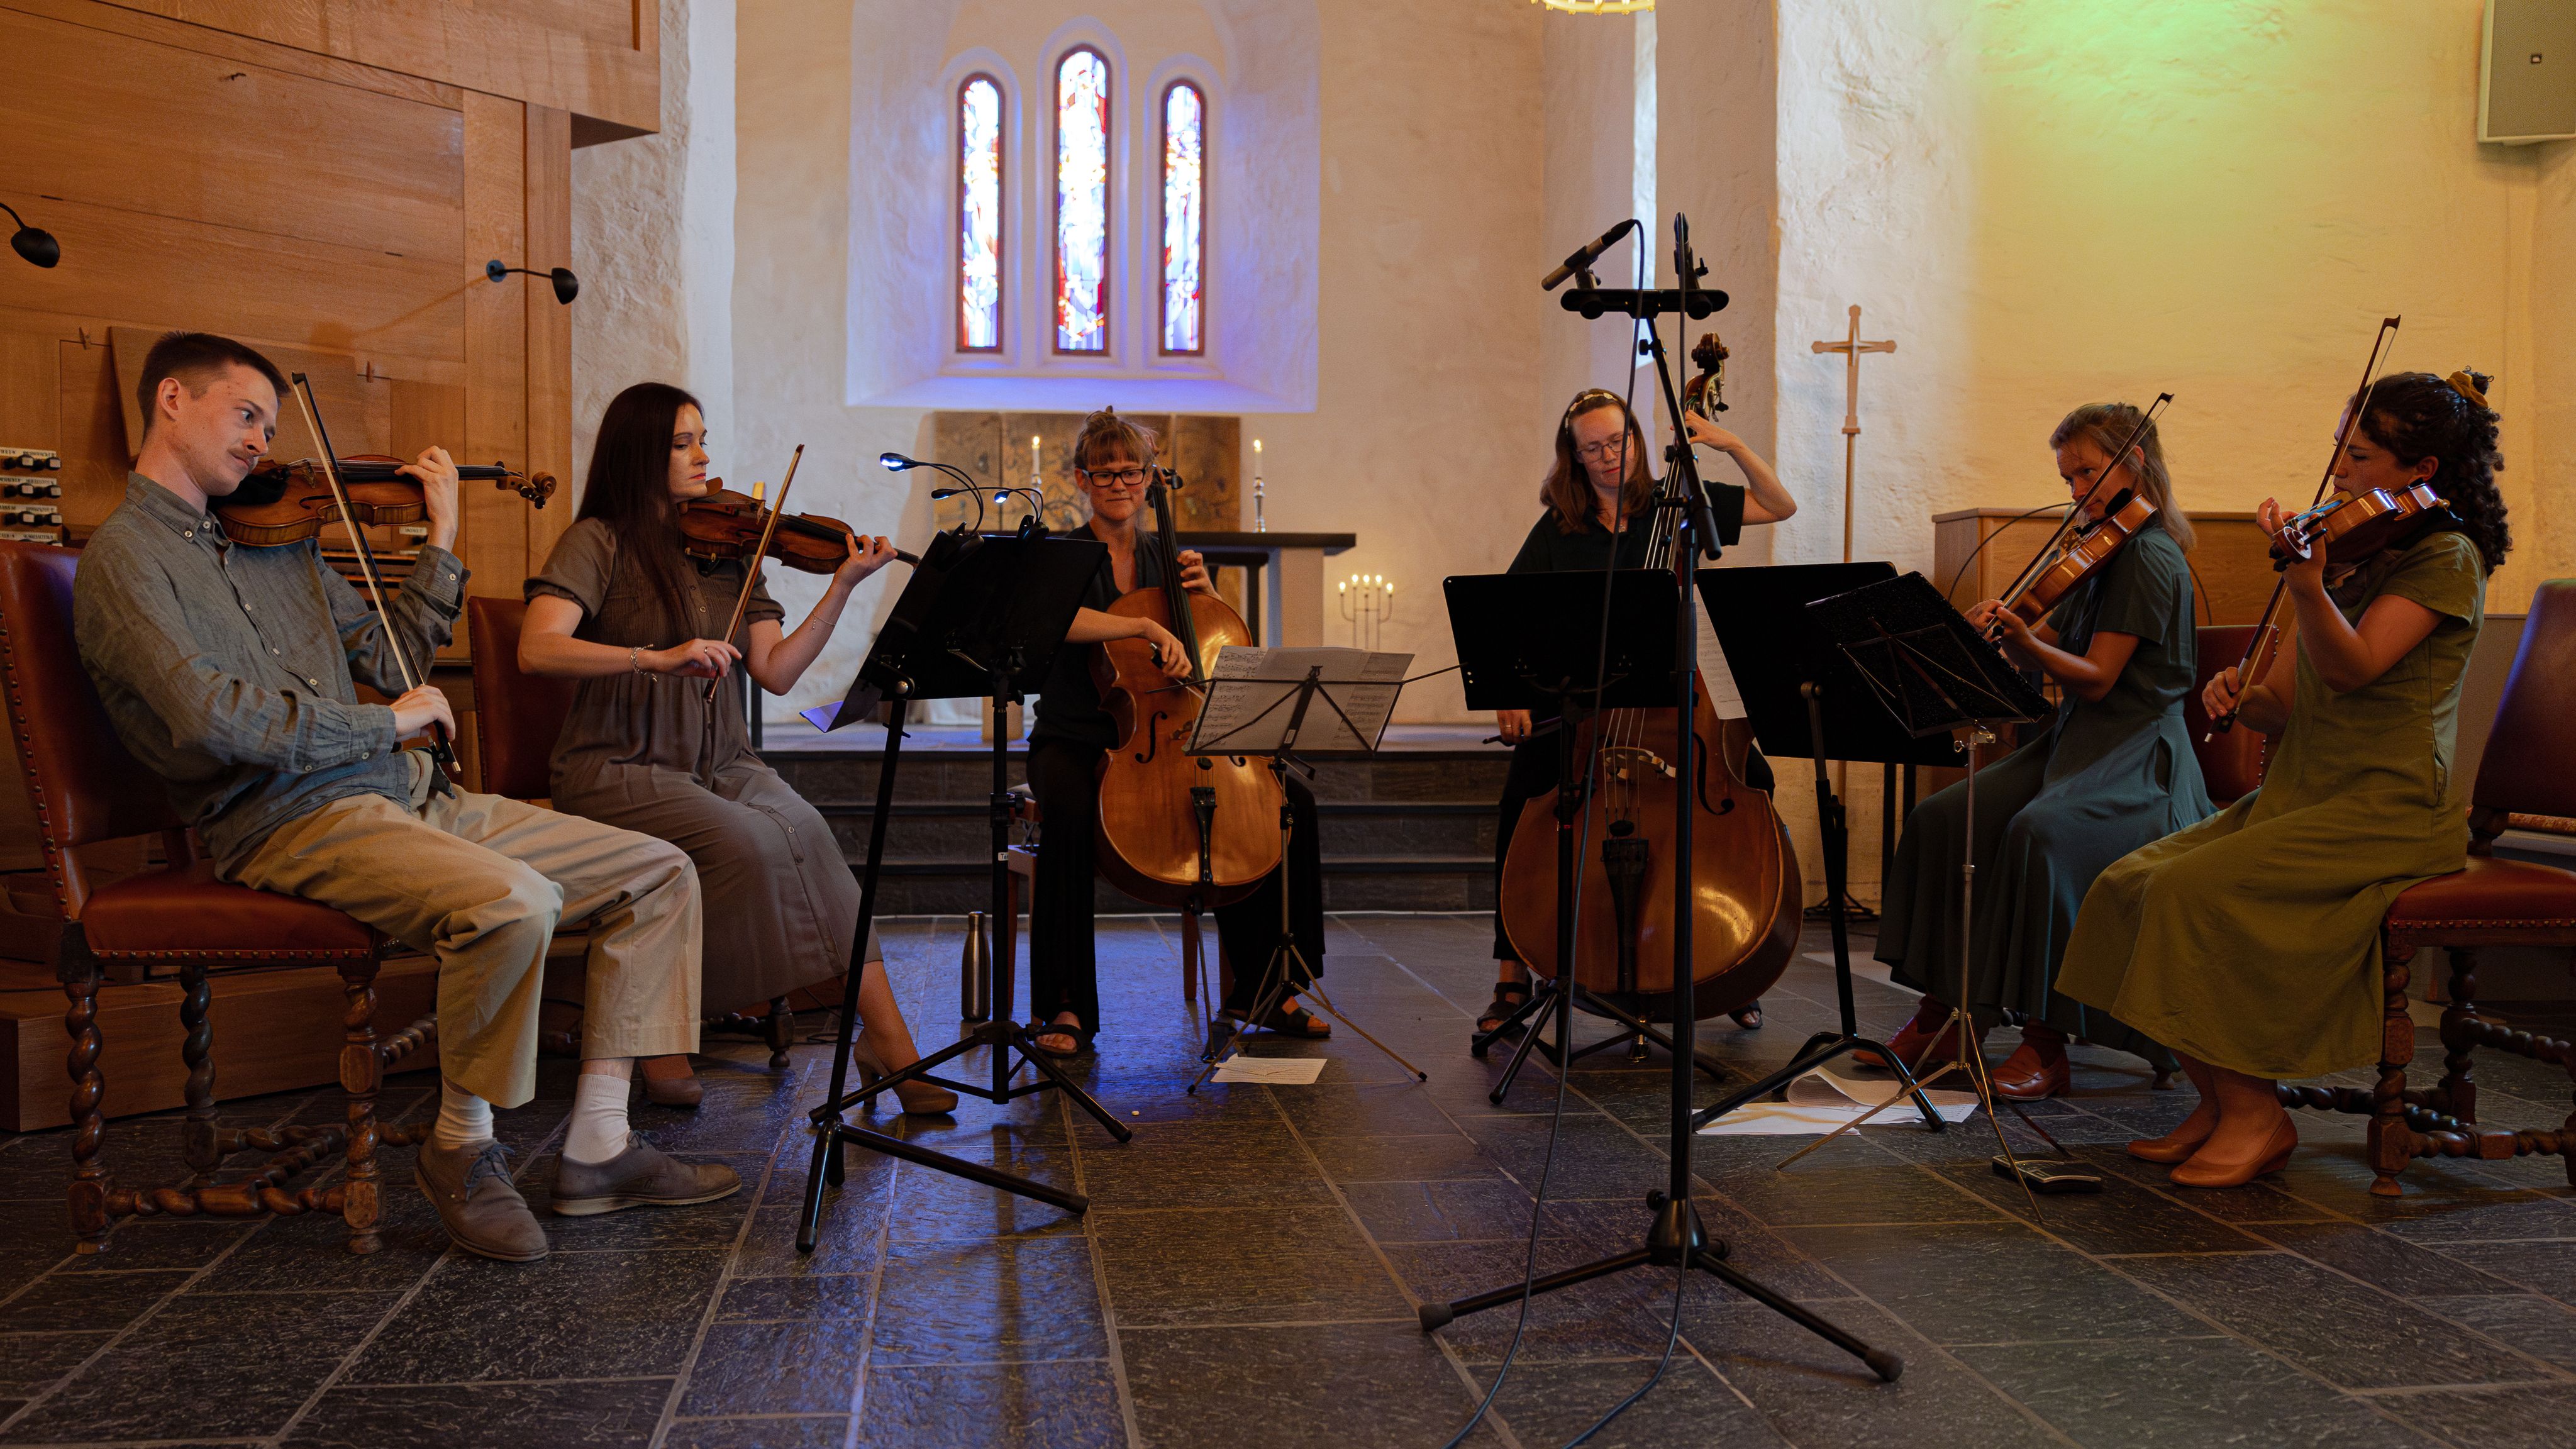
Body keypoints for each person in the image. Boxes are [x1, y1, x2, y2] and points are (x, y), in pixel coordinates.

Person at [74, 331, 738, 1264]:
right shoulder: (125, 560)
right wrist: (381, 728)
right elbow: (210, 722)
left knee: (662, 871)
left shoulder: (277, 543)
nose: (263, 441)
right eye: (246, 415)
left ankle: (599, 1145)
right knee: (515, 901)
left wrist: (443, 540)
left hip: (406, 793)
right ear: (172, 400)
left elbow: (394, 660)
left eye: (270, 422)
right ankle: (462, 1149)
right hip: (287, 817)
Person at [2057, 370, 2509, 1188]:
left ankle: (2258, 1113)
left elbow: (2358, 668)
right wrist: (2245, 697)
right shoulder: (2355, 555)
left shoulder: (2446, 559)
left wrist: (2305, 582)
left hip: (2386, 809)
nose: (2338, 469)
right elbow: (2286, 708)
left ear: (2421, 470)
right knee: (2126, 885)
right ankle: (2224, 1100)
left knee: (2190, 894)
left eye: (2360, 454)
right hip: (2305, 793)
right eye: (2340, 447)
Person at [518, 382, 955, 1115]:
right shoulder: (596, 540)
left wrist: (843, 587)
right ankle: (660, 1033)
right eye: (683, 443)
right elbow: (538, 649)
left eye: (703, 440)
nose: (703, 456)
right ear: (639, 453)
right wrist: (651, 658)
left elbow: (777, 673)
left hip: (721, 763)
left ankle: (889, 1048)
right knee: (748, 844)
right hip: (619, 763)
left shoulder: (729, 552)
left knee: (808, 831)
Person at [1865, 402, 2210, 1098]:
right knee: (1945, 817)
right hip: (2074, 744)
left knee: (2039, 833)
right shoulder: (2100, 548)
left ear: (2133, 462)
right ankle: (1946, 1016)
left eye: (2086, 472)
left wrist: (2026, 644)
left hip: (2139, 754)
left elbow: (2102, 678)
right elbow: (2054, 645)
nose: (2076, 490)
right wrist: (2000, 631)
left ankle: (2045, 1043)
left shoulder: (2147, 556)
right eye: (2068, 475)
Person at [1477, 388, 1799, 1041]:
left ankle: (1731, 967)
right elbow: (1508, 613)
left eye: (1616, 443)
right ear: (1572, 455)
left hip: (1677, 694)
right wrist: (1507, 692)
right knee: (1522, 796)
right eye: (1591, 448)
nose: (1606, 457)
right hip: (1589, 705)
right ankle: (1512, 973)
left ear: (1637, 442)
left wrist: (1730, 445)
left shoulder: (1678, 506)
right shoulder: (1560, 528)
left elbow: (1779, 505)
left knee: (1754, 782)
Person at [1022, 407, 1325, 1057]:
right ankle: (1066, 1005)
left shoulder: (1172, 556)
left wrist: (1206, 595)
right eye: (1103, 473)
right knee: (1068, 812)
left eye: (1132, 471)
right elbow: (1055, 620)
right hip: (1076, 734)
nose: (1120, 484)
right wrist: (1140, 626)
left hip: (1165, 734)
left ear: (1151, 476)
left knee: (1285, 802)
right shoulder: (1065, 554)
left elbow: (1218, 647)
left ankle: (1269, 987)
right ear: (1081, 479)